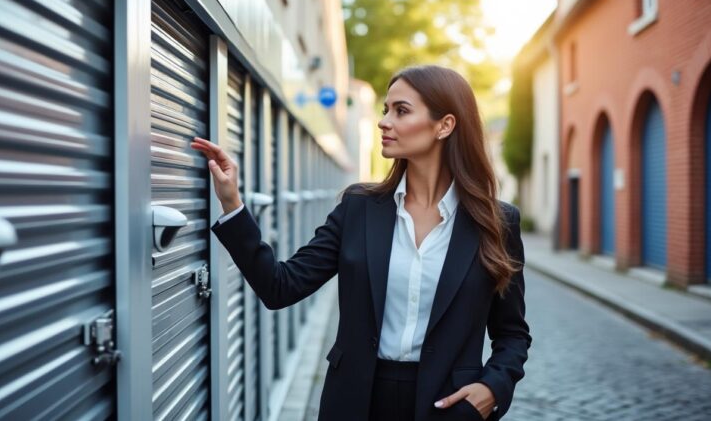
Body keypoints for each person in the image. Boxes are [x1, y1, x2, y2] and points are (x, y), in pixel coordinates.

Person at [190, 64, 531, 421]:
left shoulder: (496, 223)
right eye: (386, 110)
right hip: (356, 402)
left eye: (401, 111)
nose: (384, 122)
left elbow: (512, 334)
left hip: (449, 408)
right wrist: (232, 204)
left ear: (444, 125)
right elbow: (280, 287)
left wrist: (493, 388)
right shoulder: (359, 209)